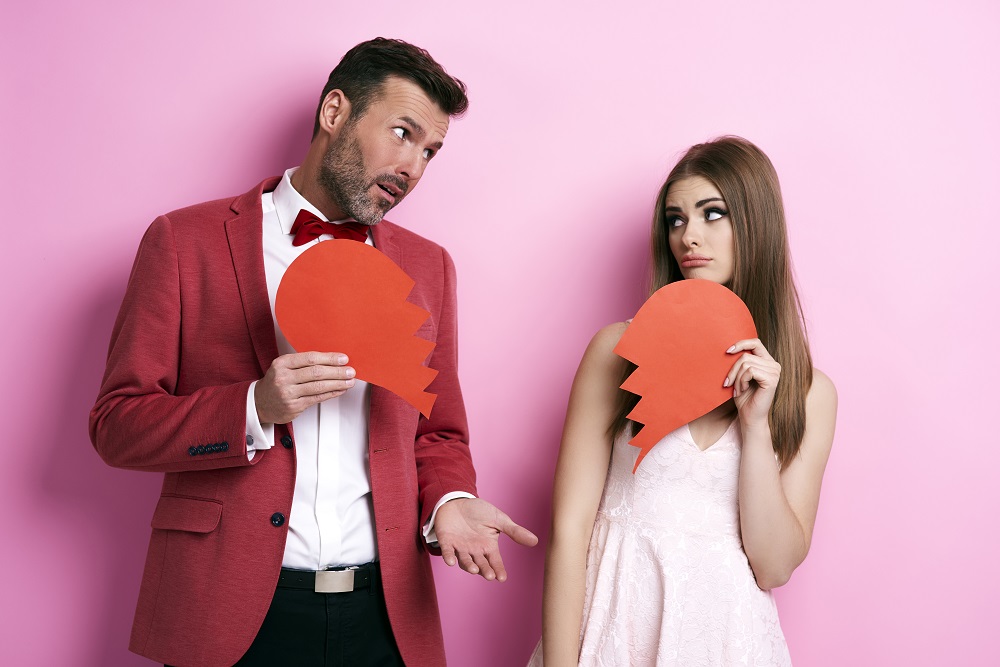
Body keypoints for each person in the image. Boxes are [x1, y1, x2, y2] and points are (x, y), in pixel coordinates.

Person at [89, 37, 536, 667]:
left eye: (430, 151)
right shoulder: (184, 242)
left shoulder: (427, 266)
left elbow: (438, 430)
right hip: (226, 609)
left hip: (385, 616)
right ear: (334, 112)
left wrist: (449, 501)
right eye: (402, 133)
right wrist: (254, 407)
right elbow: (117, 425)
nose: (413, 167)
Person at [531, 136, 837, 666]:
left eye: (712, 213)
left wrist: (756, 427)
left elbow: (773, 567)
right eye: (676, 219)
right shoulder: (617, 351)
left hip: (727, 641)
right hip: (613, 633)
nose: (688, 236)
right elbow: (569, 529)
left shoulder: (809, 393)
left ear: (757, 224)